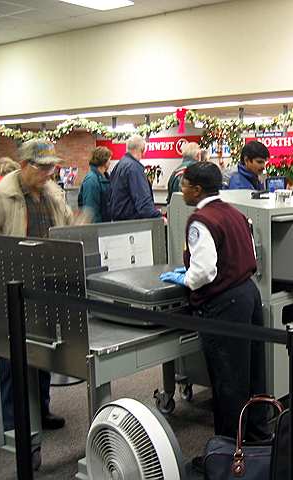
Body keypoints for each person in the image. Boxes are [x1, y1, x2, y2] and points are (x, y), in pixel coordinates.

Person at [160, 162, 266, 469]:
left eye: (184, 186)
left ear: (197, 189)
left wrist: (186, 278)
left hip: (223, 303)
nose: (182, 191)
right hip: (248, 295)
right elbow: (249, 255)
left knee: (228, 381)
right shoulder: (233, 211)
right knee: (251, 371)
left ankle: (228, 455)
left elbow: (204, 271)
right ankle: (258, 438)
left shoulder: (200, 220)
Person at [0, 139, 85, 433]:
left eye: (52, 166)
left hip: (44, 287)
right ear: (23, 165)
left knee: (43, 350)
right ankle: (14, 423)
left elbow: (63, 229)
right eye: (43, 167)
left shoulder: (52, 193)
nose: (49, 173)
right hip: (12, 288)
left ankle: (42, 409)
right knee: (11, 358)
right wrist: (5, 267)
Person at [109, 134, 161, 220]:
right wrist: (158, 217)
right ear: (142, 149)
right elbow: (143, 201)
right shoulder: (134, 168)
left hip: (118, 222)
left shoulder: (119, 165)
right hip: (132, 224)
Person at [78, 146, 112, 223]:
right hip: (98, 228)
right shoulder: (91, 180)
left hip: (105, 226)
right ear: (104, 160)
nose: (110, 162)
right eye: (109, 159)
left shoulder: (105, 177)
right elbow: (91, 210)